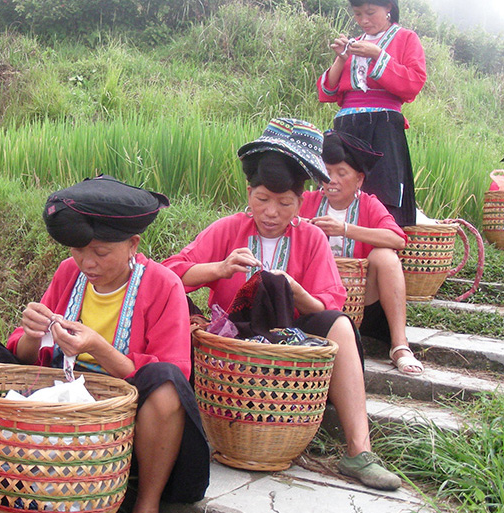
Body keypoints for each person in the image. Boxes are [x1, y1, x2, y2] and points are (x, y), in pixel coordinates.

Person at [0, 175, 210, 513]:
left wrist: (97, 347)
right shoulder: (69, 273)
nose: (88, 263)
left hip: (123, 413)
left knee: (167, 384)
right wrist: (32, 333)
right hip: (59, 392)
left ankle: (147, 501)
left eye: (101, 252)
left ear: (133, 245)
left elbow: (174, 371)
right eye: (79, 251)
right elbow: (24, 357)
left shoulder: (163, 284)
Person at [163, 118, 402, 491]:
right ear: (248, 193)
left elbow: (330, 301)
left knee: (339, 324)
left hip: (293, 340)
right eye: (261, 200)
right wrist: (220, 269)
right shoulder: (227, 229)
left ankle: (359, 451)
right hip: (234, 340)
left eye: (284, 203)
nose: (271, 212)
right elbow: (169, 275)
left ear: (300, 201)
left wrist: (294, 292)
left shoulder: (310, 238)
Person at [301, 130, 423, 375]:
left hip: (360, 298)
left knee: (385, 256)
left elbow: (397, 238)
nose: (331, 180)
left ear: (358, 179)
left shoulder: (368, 204)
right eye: (326, 172)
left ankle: (400, 345)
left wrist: (345, 229)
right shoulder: (308, 201)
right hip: (316, 295)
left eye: (341, 173)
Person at [317, 0, 426, 227]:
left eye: (370, 12)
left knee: (384, 186)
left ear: (388, 8)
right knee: (342, 183)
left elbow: (413, 81)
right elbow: (327, 91)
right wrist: (342, 58)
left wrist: (378, 54)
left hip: (383, 125)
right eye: (357, 14)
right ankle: (340, 244)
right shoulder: (355, 44)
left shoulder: (406, 38)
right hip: (347, 125)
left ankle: (382, 240)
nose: (363, 21)